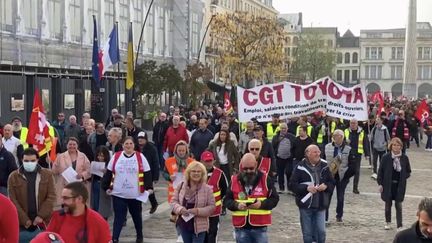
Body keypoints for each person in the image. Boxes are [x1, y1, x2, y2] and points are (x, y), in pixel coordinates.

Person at [101, 137, 153, 243]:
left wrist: (149, 188)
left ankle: (139, 236)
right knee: (119, 217)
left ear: (134, 145)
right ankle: (115, 238)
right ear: (122, 145)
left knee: (136, 216)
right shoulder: (116, 156)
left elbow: (147, 174)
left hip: (135, 194)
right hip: (119, 193)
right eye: (126, 143)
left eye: (130, 143)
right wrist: (106, 187)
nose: (128, 145)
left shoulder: (140, 157)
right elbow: (109, 172)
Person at [224, 153, 279, 243]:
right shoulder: (234, 180)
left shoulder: (265, 179)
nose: (248, 171)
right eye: (245, 169)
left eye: (251, 168)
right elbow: (227, 200)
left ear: (256, 165)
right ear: (241, 166)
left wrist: (261, 204)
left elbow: (275, 199)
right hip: (241, 227)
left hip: (260, 227)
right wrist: (236, 205)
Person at [8, 148, 56, 242]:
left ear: (37, 160)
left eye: (32, 160)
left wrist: (41, 216)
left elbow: (52, 197)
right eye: (26, 161)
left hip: (42, 223)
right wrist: (24, 220)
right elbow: (12, 200)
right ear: (22, 160)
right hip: (22, 225)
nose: (29, 163)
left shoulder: (47, 174)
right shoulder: (13, 177)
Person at [289, 145, 335, 243]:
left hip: (321, 204)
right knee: (307, 234)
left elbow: (332, 182)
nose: (318, 154)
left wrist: (326, 186)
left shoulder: (325, 165)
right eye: (315, 152)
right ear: (307, 154)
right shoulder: (300, 167)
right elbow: (292, 185)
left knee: (321, 232)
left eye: (318, 152)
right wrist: (306, 188)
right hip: (306, 206)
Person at [47, 181, 111, 242]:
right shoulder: (58, 217)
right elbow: (46, 239)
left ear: (79, 199)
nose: (62, 202)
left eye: (66, 198)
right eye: (62, 198)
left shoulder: (98, 221)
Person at [171, 161, 216, 243]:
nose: (196, 173)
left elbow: (212, 207)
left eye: (199, 171)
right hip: (184, 225)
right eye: (194, 171)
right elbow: (173, 202)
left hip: (200, 228)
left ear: (202, 174)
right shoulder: (181, 186)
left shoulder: (207, 189)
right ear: (189, 172)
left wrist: (198, 211)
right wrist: (180, 209)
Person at [378, 137, 411, 231]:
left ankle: (399, 225)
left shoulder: (404, 158)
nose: (396, 147)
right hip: (388, 184)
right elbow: (380, 172)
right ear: (391, 146)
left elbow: (408, 171)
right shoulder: (386, 157)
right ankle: (388, 222)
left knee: (398, 205)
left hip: (399, 185)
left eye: (398, 145)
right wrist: (380, 184)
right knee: (388, 205)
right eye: (394, 145)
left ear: (401, 146)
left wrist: (404, 177)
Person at [52, 137, 91, 208]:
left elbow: (88, 170)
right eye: (70, 144)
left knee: (77, 206)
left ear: (77, 146)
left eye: (74, 144)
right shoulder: (60, 156)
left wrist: (82, 175)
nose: (72, 146)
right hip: (64, 185)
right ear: (67, 145)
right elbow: (54, 171)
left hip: (78, 185)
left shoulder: (83, 156)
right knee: (65, 206)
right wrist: (53, 164)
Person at [324, 129, 353, 222]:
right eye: (334, 135)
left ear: (342, 137)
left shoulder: (348, 149)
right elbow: (323, 161)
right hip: (330, 176)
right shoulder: (327, 147)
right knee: (327, 196)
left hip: (342, 177)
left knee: (340, 197)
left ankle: (339, 215)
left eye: (337, 136)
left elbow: (352, 165)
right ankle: (325, 216)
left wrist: (346, 175)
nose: (334, 137)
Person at [200, 151, 228, 243]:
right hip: (200, 211)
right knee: (201, 234)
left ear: (214, 161)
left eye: (210, 161)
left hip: (214, 211)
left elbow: (225, 190)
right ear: (201, 161)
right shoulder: (197, 172)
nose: (208, 163)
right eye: (206, 161)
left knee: (212, 233)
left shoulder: (219, 173)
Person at [136, 131, 160, 214]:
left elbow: (155, 162)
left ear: (146, 139)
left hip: (148, 172)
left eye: (142, 138)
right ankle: (139, 207)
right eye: (139, 138)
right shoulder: (136, 148)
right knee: (139, 189)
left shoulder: (152, 148)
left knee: (148, 188)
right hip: (138, 171)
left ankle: (154, 203)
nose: (140, 140)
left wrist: (156, 176)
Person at [345, 119, 369, 194]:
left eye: (354, 123)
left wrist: (367, 154)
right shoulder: (346, 131)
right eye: (351, 123)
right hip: (347, 154)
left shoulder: (362, 132)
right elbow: (340, 141)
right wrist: (345, 141)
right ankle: (344, 185)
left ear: (357, 124)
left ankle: (355, 188)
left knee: (357, 171)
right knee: (346, 171)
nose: (352, 125)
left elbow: (365, 143)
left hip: (358, 154)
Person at [272, 122, 296, 194]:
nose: (283, 130)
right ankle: (281, 188)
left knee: (289, 172)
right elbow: (273, 146)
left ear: (287, 129)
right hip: (279, 157)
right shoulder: (276, 137)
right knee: (280, 173)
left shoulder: (292, 136)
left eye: (285, 128)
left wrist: (293, 155)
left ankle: (289, 188)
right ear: (280, 129)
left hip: (289, 158)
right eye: (282, 128)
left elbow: (295, 146)